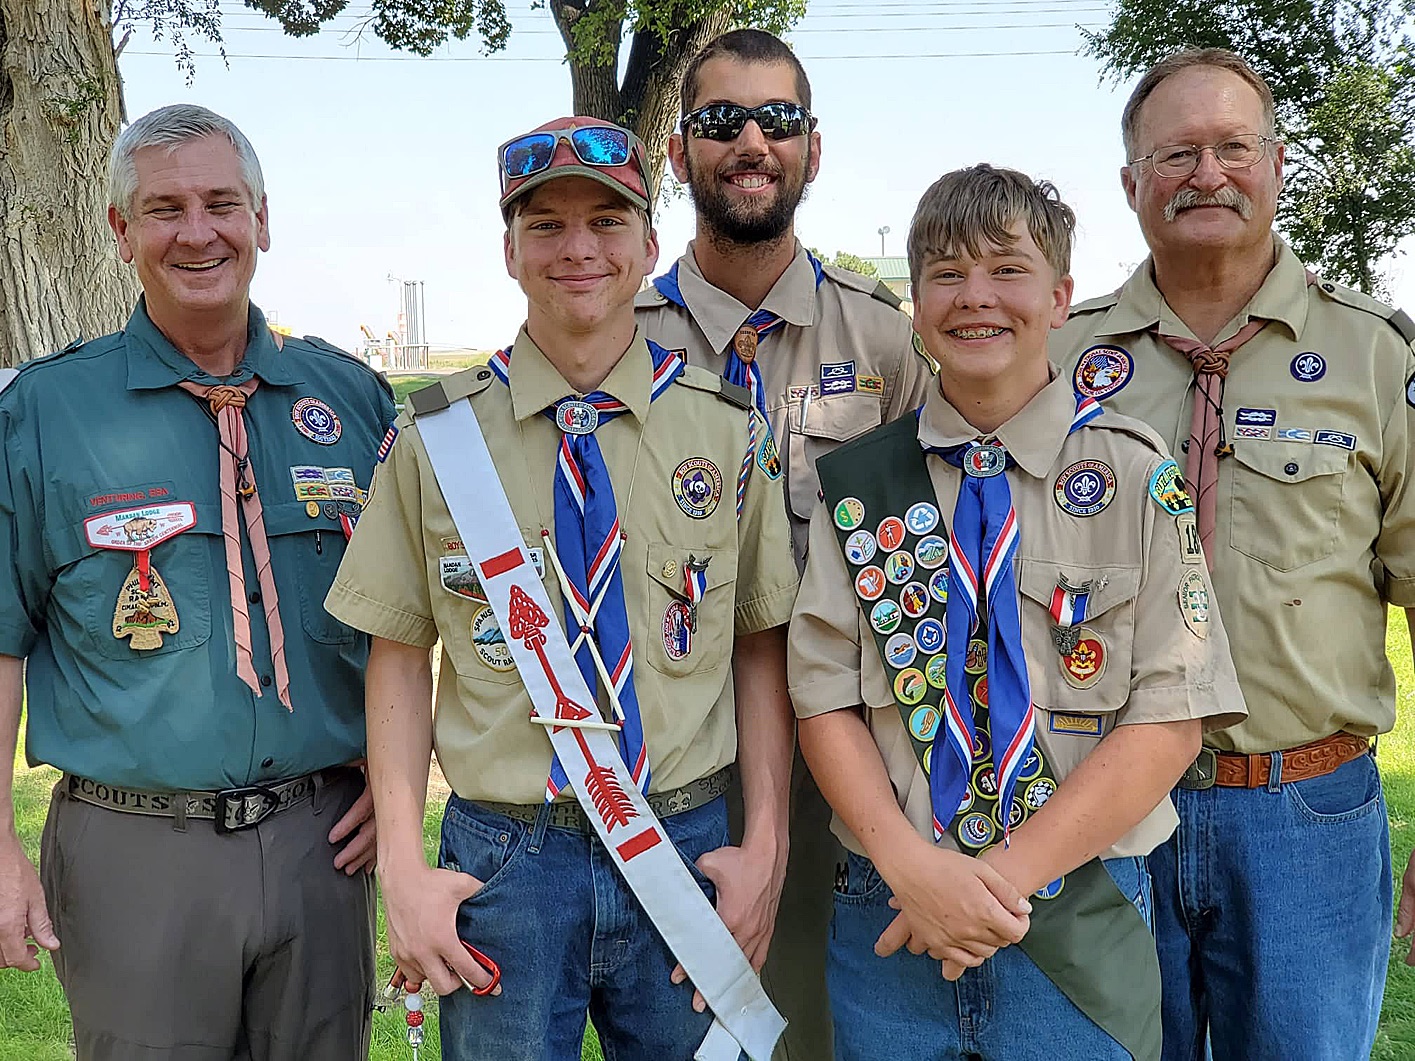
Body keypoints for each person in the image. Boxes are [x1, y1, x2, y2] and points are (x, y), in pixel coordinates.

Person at [325, 116, 799, 1061]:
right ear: (507, 250)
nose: (578, 247)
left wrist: (766, 846)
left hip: (683, 841)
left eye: (607, 220)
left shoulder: (725, 430)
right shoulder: (437, 438)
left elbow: (758, 645)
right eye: (545, 225)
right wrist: (406, 868)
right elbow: (397, 655)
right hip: (504, 859)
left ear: (648, 244)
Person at [789, 164, 1246, 1061]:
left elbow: (1170, 716)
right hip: (890, 906)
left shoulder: (1128, 472)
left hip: (1074, 908)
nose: (976, 297)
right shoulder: (862, 485)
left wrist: (990, 885)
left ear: (1061, 297)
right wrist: (916, 872)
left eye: (1007, 268)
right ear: (915, 305)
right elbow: (820, 697)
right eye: (947, 274)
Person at [0, 104, 394, 1060]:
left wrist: (396, 775)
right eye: (165, 207)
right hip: (134, 850)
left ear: (262, 216)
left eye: (222, 203)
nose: (198, 231)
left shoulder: (348, 400)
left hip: (323, 843)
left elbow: (411, 621)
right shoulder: (45, 413)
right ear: (120, 230)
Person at [1052, 47, 1415, 1060]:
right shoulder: (1057, 360)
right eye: (1173, 154)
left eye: (1230, 148)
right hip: (1104, 810)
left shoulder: (1374, 352)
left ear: (1276, 164)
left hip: (1305, 814)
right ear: (1130, 183)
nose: (1204, 174)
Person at [636, 31, 935, 1055]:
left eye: (779, 120)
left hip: (840, 753)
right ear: (679, 152)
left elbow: (924, 563)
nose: (751, 140)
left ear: (814, 148)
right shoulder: (616, 338)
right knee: (671, 1023)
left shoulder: (883, 342)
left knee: (814, 1019)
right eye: (720, 122)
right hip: (665, 752)